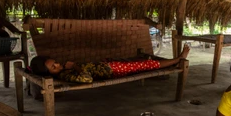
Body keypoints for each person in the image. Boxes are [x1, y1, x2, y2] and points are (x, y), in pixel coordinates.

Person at [30, 44, 190, 83]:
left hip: (107, 65)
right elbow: (87, 79)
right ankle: (178, 60)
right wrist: (75, 67)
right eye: (54, 67)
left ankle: (173, 63)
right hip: (112, 71)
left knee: (143, 61)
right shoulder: (66, 75)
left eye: (55, 63)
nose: (58, 65)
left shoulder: (63, 70)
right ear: (48, 73)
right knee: (147, 65)